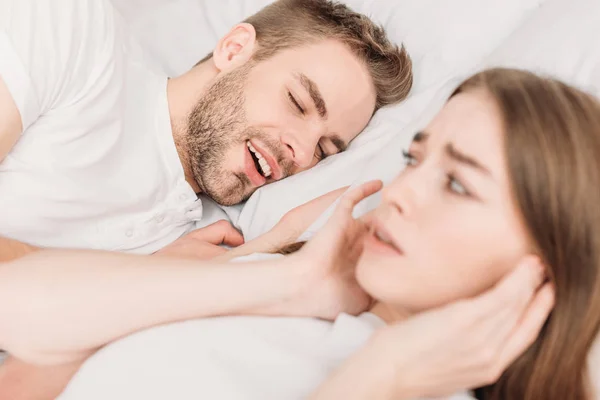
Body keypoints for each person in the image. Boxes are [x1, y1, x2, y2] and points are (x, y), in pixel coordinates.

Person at [5, 67, 599, 399]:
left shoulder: (411, 382)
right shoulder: (293, 285)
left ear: (549, 258)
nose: (401, 190)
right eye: (416, 161)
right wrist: (286, 276)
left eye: (461, 185)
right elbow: (14, 311)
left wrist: (379, 381)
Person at [0, 0, 413, 260]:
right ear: (234, 50)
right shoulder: (76, 33)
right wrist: (137, 282)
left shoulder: (197, 246)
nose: (301, 153)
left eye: (325, 149)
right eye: (298, 102)